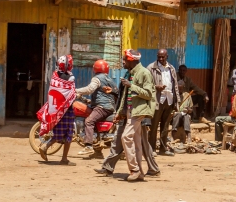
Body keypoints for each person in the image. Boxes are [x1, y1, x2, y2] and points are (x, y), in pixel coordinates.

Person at [116, 49, 155, 181]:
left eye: (124, 60)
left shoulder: (144, 73)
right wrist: (120, 112)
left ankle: (134, 169)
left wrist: (131, 86)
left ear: (131, 60)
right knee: (137, 143)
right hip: (130, 111)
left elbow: (148, 94)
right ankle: (140, 173)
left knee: (126, 137)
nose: (123, 62)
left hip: (139, 111)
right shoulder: (130, 73)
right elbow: (125, 97)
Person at [37, 55, 77, 166]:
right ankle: (63, 158)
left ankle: (46, 146)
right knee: (69, 133)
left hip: (55, 109)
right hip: (66, 109)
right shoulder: (70, 78)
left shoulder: (54, 76)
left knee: (59, 132)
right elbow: (72, 93)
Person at [76, 59, 117, 156]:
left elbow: (90, 89)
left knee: (89, 121)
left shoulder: (97, 78)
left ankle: (88, 146)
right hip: (109, 107)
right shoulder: (109, 79)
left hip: (102, 107)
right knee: (95, 123)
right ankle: (98, 152)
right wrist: (88, 100)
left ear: (95, 68)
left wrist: (76, 90)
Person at [146, 49, 179, 156]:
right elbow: (146, 84)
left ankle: (163, 148)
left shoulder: (171, 68)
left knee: (165, 126)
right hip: (157, 100)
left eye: (163, 57)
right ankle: (152, 149)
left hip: (168, 99)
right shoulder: (151, 68)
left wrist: (176, 102)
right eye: (159, 57)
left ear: (167, 56)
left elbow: (175, 86)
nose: (160, 59)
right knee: (154, 125)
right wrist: (156, 87)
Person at [171, 80, 194, 145]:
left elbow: (191, 110)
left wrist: (188, 109)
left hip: (185, 116)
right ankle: (173, 135)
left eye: (181, 88)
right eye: (178, 89)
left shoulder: (187, 95)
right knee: (178, 114)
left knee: (186, 116)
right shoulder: (173, 96)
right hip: (175, 117)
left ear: (183, 87)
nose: (179, 90)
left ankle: (189, 135)